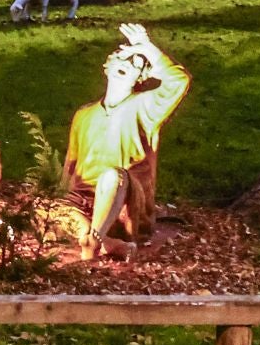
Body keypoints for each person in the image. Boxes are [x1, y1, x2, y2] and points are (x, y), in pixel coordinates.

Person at [64, 24, 190, 260]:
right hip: (84, 205)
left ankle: (95, 238)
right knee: (48, 208)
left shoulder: (146, 106)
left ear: (141, 77)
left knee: (112, 176)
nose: (127, 64)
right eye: (122, 58)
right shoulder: (84, 115)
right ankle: (103, 242)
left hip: (125, 203)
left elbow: (178, 82)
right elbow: (71, 167)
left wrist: (148, 49)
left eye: (136, 63)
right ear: (107, 66)